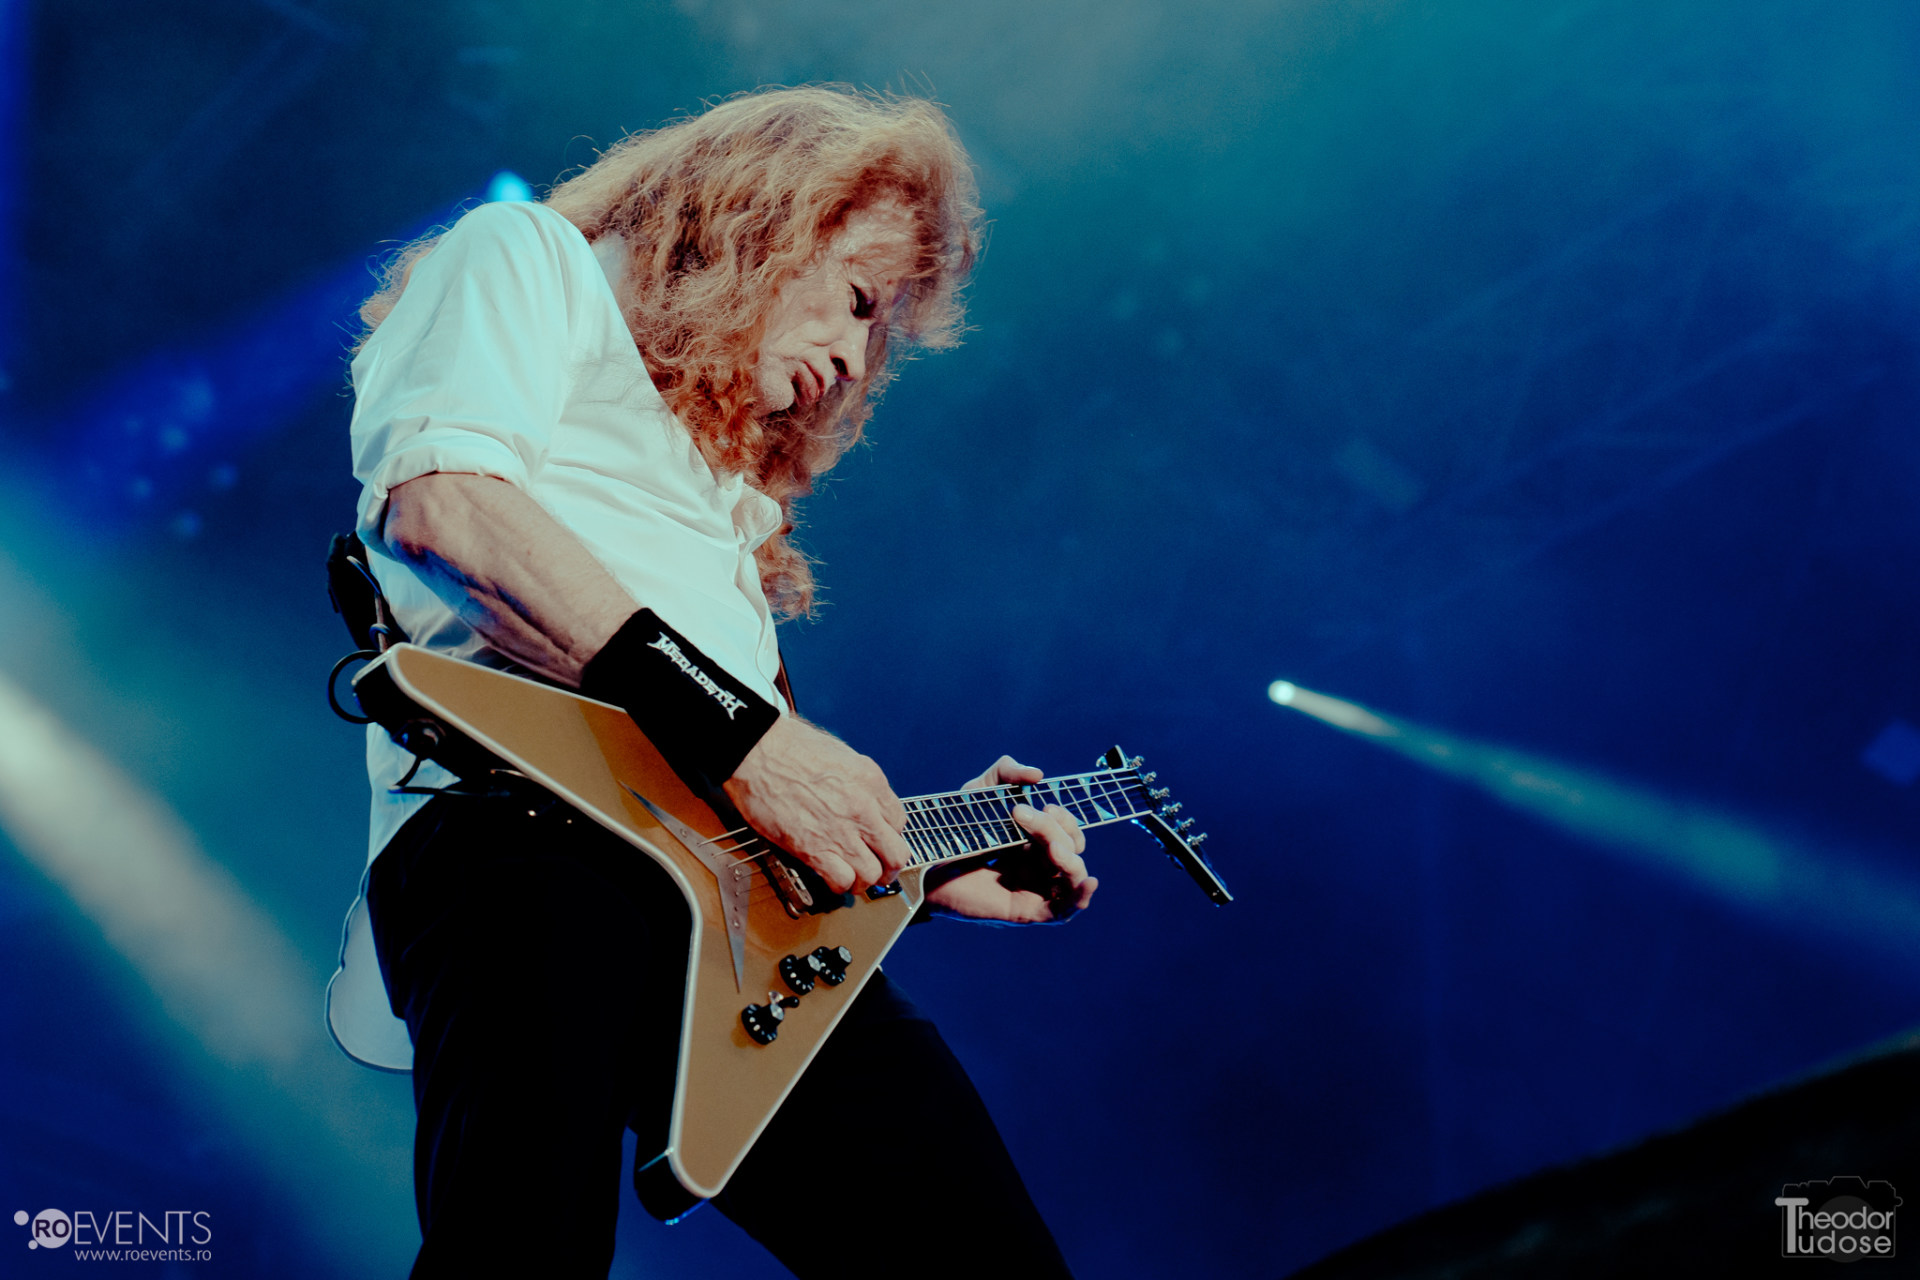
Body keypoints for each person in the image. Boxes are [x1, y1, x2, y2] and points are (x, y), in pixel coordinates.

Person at [325, 86, 1097, 1279]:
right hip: (523, 840)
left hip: (740, 923)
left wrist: (907, 861)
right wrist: (747, 736)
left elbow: (731, 789)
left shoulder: (725, 502)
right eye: (857, 298)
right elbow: (445, 505)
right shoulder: (529, 258)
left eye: (882, 334)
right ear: (763, 219)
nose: (856, 358)